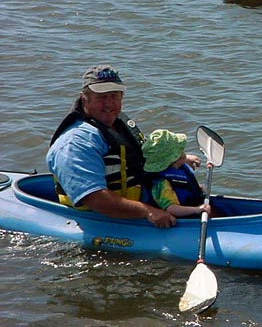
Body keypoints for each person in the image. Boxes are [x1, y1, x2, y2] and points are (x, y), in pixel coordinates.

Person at [46, 65, 199, 228]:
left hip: (138, 202)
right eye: (101, 97)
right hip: (100, 217)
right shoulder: (75, 143)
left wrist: (178, 158)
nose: (109, 104)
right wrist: (148, 211)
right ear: (84, 99)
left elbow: (145, 159)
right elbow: (95, 199)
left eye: (114, 96)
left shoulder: (118, 125)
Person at [142, 129, 220, 218]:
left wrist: (186, 159)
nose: (184, 154)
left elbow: (180, 162)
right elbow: (171, 208)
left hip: (194, 203)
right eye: (180, 153)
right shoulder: (162, 184)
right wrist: (197, 210)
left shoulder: (173, 165)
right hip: (184, 216)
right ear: (174, 161)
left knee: (218, 211)